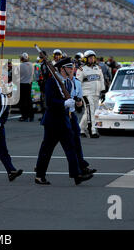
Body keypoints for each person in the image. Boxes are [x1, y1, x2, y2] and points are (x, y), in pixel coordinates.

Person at [34, 57, 94, 186]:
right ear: (62, 69)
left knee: (70, 147)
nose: (72, 70)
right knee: (47, 149)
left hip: (65, 120)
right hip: (52, 122)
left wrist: (74, 103)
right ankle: (39, 175)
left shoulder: (68, 83)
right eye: (69, 68)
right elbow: (49, 102)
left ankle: (77, 175)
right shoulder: (51, 82)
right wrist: (64, 103)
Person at [76, 50, 105, 138]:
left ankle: (80, 129)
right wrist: (78, 96)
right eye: (90, 58)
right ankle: (92, 131)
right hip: (86, 93)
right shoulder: (82, 69)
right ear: (85, 59)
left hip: (96, 93)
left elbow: (101, 80)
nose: (92, 59)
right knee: (90, 111)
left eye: (93, 58)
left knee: (89, 112)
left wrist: (103, 91)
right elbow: (78, 83)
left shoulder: (98, 68)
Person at [18, 52, 34, 122]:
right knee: (29, 101)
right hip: (29, 84)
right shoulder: (31, 65)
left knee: (22, 101)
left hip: (22, 84)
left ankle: (24, 116)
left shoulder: (20, 66)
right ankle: (31, 116)